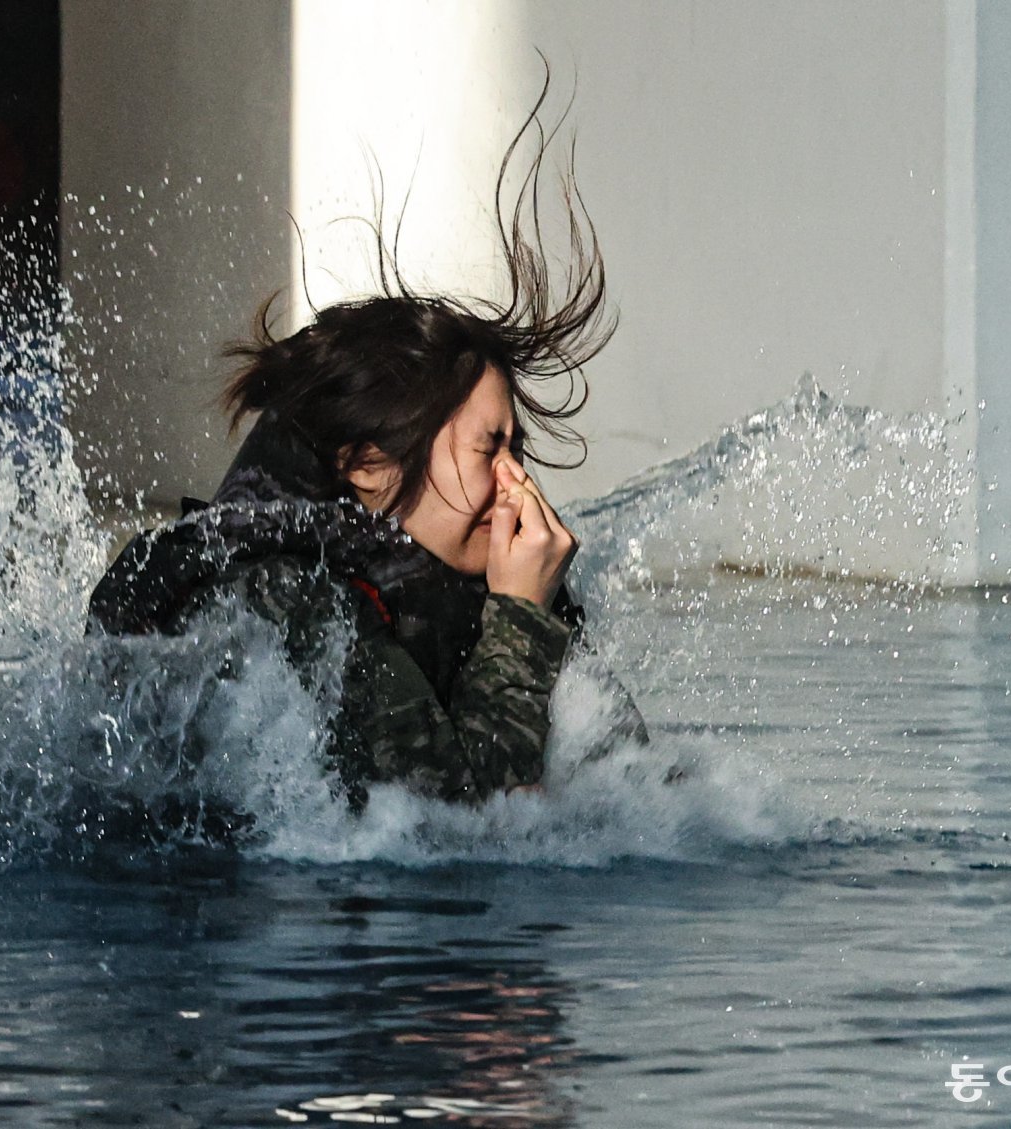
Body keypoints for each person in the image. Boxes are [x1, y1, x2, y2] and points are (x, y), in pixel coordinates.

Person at [88, 93, 643, 811]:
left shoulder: (448, 587)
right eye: (490, 448)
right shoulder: (289, 598)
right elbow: (460, 825)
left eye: (517, 449)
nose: (517, 481)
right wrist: (522, 622)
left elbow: (625, 782)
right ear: (368, 463)